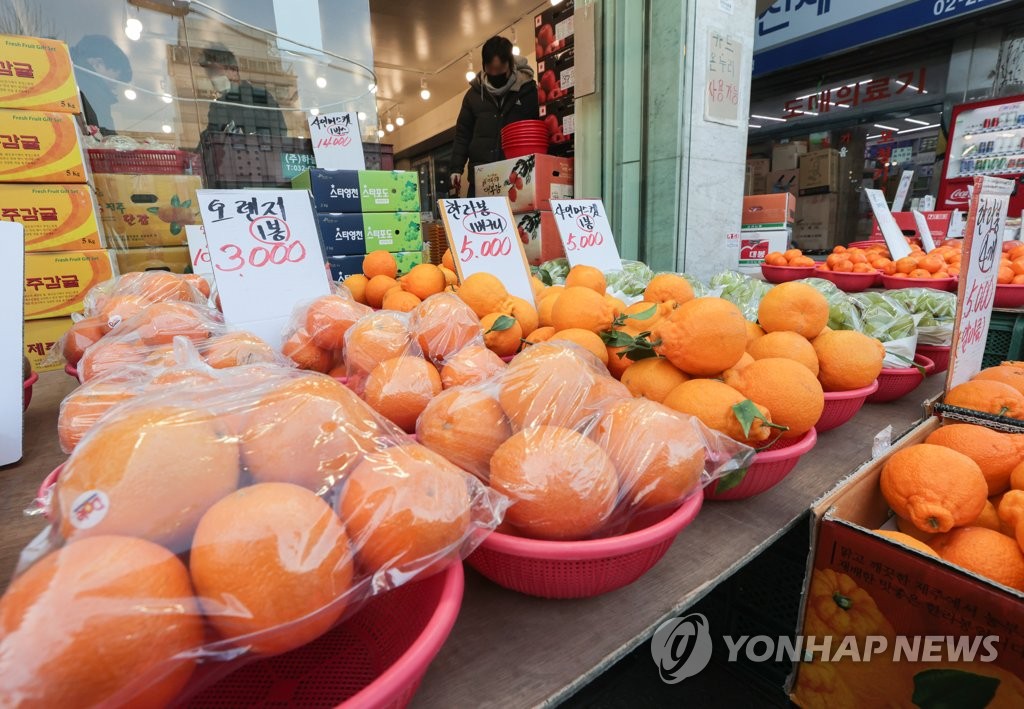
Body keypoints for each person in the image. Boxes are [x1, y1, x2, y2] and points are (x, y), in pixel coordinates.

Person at [450, 36, 539, 197]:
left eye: (500, 71)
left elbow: (536, 129)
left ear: (510, 64)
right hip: (482, 178)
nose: (495, 74)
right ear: (484, 66)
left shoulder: (527, 90)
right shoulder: (473, 95)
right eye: (491, 70)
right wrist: (456, 168)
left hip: (515, 174)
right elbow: (463, 134)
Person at [198, 45, 287, 140]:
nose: (213, 78)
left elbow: (278, 134)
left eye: (216, 72)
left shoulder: (260, 97)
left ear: (234, 70)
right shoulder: (217, 106)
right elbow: (211, 138)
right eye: (210, 74)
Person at [71, 35, 132, 136]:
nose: (114, 87)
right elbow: (105, 136)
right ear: (98, 63)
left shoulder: (69, 77)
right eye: (115, 80)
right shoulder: (93, 90)